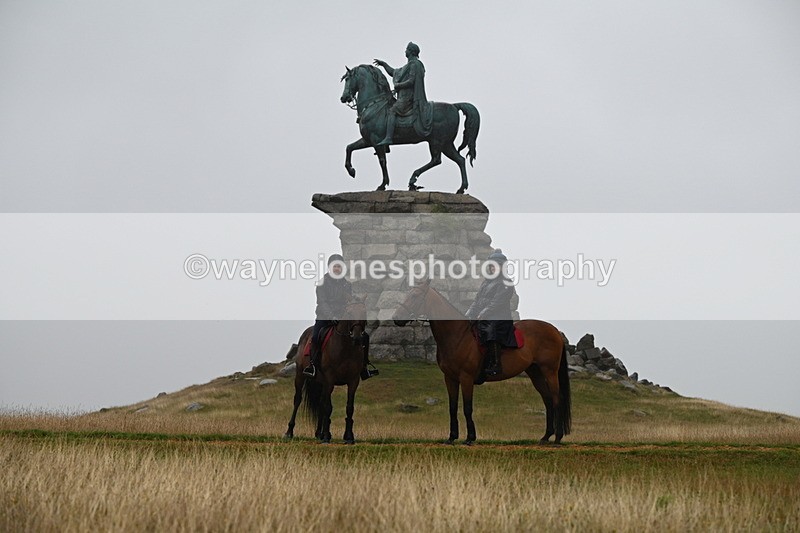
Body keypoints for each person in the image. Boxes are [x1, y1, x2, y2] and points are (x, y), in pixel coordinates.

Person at [303, 254, 378, 380]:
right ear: (330, 267)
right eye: (335, 266)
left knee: (364, 336)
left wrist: (357, 302)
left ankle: (364, 367)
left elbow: (349, 299)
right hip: (324, 317)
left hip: (342, 317)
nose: (337, 269)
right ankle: (313, 366)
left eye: (339, 266)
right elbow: (322, 302)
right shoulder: (322, 283)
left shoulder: (346, 284)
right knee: (315, 337)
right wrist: (331, 316)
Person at [465, 249, 518, 377]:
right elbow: (477, 301)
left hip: (499, 317)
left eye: (497, 266)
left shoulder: (506, 282)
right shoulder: (486, 282)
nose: (493, 268)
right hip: (486, 315)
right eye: (492, 266)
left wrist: (482, 314)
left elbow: (497, 303)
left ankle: (495, 365)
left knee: (491, 331)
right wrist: (469, 313)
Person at [373, 41, 433, 145]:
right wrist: (384, 64)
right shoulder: (408, 66)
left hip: (408, 98)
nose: (405, 51)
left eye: (406, 49)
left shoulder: (415, 64)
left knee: (392, 111)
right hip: (403, 98)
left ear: (411, 52)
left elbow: (411, 81)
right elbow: (393, 72)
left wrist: (399, 85)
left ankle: (389, 138)